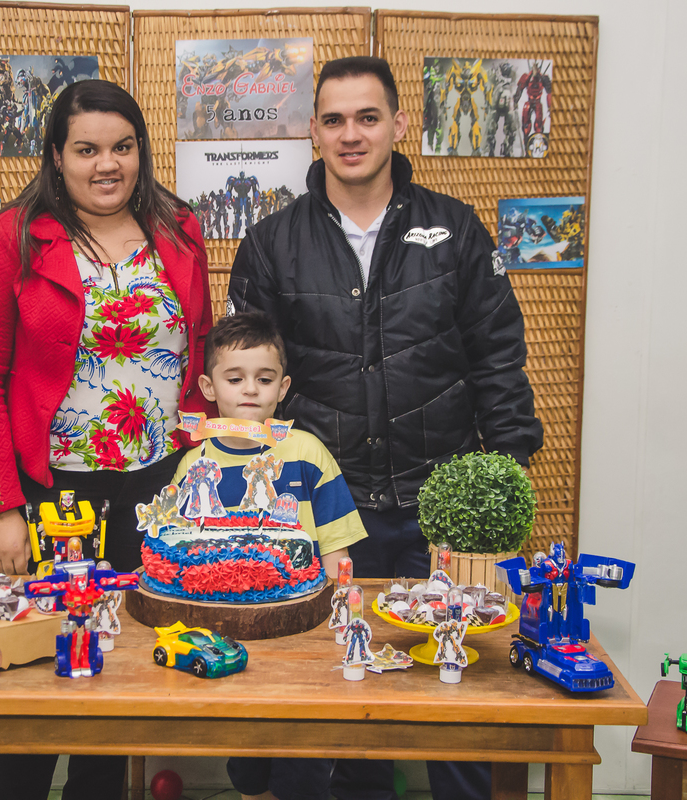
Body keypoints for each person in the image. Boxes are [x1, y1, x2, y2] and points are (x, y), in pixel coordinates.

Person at [227, 57, 544, 800]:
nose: (351, 134)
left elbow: (498, 359)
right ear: (313, 132)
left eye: (368, 117)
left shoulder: (457, 230)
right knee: (326, 701)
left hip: (440, 511)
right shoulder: (271, 243)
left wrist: (505, 482)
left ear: (399, 124)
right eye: (335, 120)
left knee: (457, 695)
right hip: (322, 514)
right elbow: (249, 383)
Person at [0, 79, 215, 800]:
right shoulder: (12, 239)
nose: (108, 164)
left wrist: (196, 470)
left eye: (123, 147)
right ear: (56, 157)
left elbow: (198, 351)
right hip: (53, 496)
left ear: (141, 151)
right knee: (41, 677)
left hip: (155, 495)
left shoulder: (179, 230)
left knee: (120, 674)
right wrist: (5, 506)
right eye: (87, 149)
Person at [175, 312, 366, 800]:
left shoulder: (307, 453)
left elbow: (337, 555)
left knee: (302, 769)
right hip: (231, 637)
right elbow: (177, 556)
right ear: (208, 386)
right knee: (249, 768)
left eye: (264, 379)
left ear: (283, 388)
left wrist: (337, 622)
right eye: (234, 378)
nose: (250, 389)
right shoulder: (194, 465)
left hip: (304, 640)